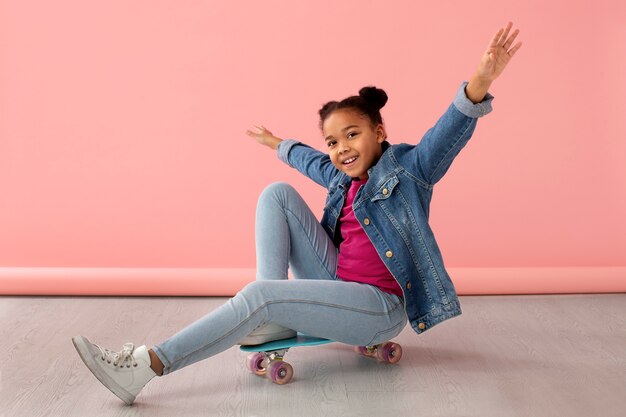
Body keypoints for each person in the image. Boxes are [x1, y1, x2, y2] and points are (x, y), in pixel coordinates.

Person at [72, 22, 522, 405]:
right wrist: (277, 144)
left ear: (379, 132)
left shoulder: (409, 172)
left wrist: (479, 81)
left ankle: (149, 364)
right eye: (333, 141)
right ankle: (270, 318)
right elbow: (311, 161)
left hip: (379, 310)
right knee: (277, 193)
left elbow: (447, 133)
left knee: (262, 294)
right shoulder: (343, 179)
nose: (342, 149)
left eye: (352, 135)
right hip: (340, 287)